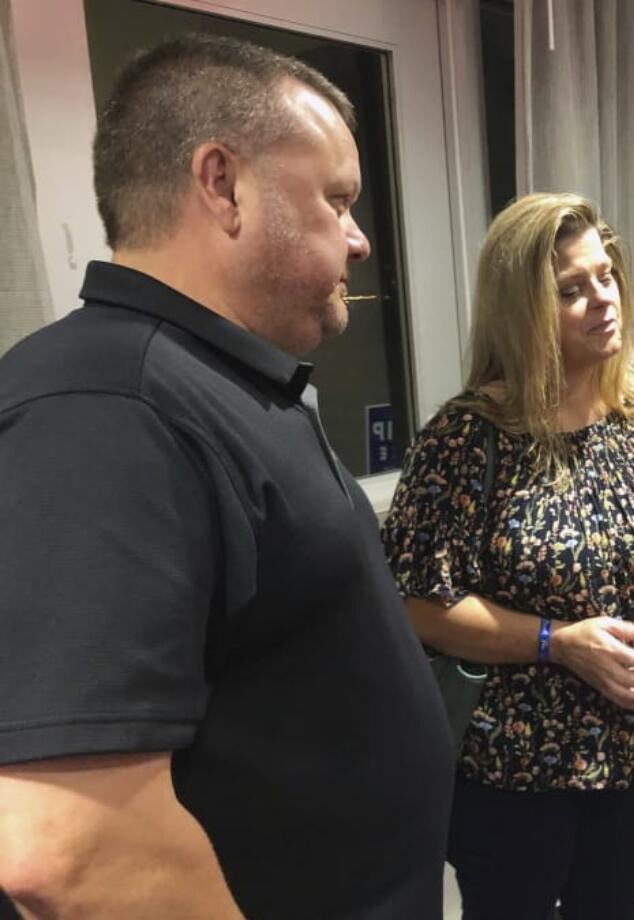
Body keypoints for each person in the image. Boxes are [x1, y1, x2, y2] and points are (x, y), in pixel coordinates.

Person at [0, 35, 452, 918]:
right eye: (337, 199)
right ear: (223, 184)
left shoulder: (218, 387)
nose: (360, 239)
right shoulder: (106, 408)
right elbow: (72, 842)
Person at [381, 192, 634, 920]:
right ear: (520, 310)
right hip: (514, 766)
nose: (602, 300)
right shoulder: (466, 438)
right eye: (571, 290)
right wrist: (558, 643)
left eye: (605, 277)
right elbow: (418, 603)